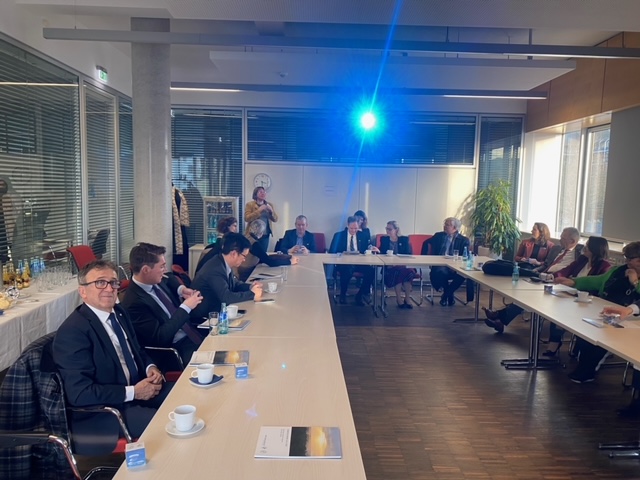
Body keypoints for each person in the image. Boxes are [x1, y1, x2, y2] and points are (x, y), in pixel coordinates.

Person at [53, 260, 174, 444]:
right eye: (100, 282)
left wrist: (150, 367)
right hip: (104, 412)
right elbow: (80, 393)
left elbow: (137, 350)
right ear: (83, 291)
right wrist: (133, 392)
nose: (109, 289)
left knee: (186, 397)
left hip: (138, 389)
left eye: (113, 282)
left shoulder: (119, 313)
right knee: (171, 424)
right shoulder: (73, 331)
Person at [555, 241, 640, 384]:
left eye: (631, 259)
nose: (627, 262)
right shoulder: (618, 270)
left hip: (631, 318)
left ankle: (588, 369)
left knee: (601, 335)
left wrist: (635, 281)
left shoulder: (632, 274)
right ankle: (585, 365)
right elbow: (598, 281)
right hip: (607, 310)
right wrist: (574, 282)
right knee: (585, 329)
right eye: (627, 258)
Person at [120, 243, 204, 369]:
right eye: (161, 266)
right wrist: (186, 307)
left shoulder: (155, 280)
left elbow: (170, 277)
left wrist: (181, 289)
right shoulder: (134, 303)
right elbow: (160, 338)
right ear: (146, 270)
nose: (164, 270)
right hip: (176, 350)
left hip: (191, 335)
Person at [483, 227, 583, 332]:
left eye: (563, 238)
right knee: (523, 291)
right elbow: (546, 264)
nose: (560, 240)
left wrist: (553, 277)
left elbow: (573, 273)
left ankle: (500, 317)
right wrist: (536, 271)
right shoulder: (557, 249)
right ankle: (500, 318)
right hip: (542, 276)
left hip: (556, 282)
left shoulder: (579, 256)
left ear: (572, 241)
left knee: (529, 296)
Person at [542, 236, 611, 356]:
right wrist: (553, 276)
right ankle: (554, 343)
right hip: (571, 295)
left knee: (565, 311)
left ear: (595, 248)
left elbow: (597, 286)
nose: (584, 247)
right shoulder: (582, 259)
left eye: (587, 245)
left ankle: (578, 347)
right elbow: (566, 270)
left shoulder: (604, 266)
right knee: (557, 309)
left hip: (589, 301)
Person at [190, 232, 263, 320]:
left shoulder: (222, 262)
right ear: (234, 254)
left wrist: (250, 287)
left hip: (217, 311)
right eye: (244, 256)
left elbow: (235, 284)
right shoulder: (215, 268)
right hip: (206, 318)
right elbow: (226, 297)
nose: (244, 260)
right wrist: (252, 294)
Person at [421, 217, 472, 306]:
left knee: (463, 275)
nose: (445, 226)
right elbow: (426, 243)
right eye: (445, 224)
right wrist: (425, 257)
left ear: (455, 228)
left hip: (456, 266)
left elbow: (465, 256)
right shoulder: (439, 236)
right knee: (440, 271)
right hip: (440, 265)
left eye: (448, 225)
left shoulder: (464, 240)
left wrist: (456, 265)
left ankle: (446, 295)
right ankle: (449, 295)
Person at [329, 216, 379, 306]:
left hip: (359, 263)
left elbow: (367, 248)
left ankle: (359, 295)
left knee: (371, 271)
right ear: (347, 225)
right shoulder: (339, 235)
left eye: (356, 228)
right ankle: (343, 294)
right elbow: (332, 251)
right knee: (347, 270)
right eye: (351, 228)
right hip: (343, 263)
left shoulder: (363, 235)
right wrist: (341, 254)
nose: (353, 230)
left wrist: (371, 248)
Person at [380, 220, 416, 309]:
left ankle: (407, 298)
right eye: (386, 229)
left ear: (396, 230)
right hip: (389, 268)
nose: (387, 231)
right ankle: (399, 298)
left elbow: (408, 254)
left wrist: (399, 262)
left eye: (390, 229)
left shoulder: (404, 239)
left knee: (408, 272)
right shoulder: (384, 239)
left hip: (402, 265)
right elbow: (381, 253)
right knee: (403, 272)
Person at [244, 186, 277, 252]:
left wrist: (271, 211)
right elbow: (247, 218)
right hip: (253, 234)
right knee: (251, 253)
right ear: (255, 194)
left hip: (265, 234)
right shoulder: (250, 205)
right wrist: (259, 211)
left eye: (264, 192)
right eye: (260, 192)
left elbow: (275, 219)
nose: (263, 193)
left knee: (263, 253)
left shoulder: (269, 205)